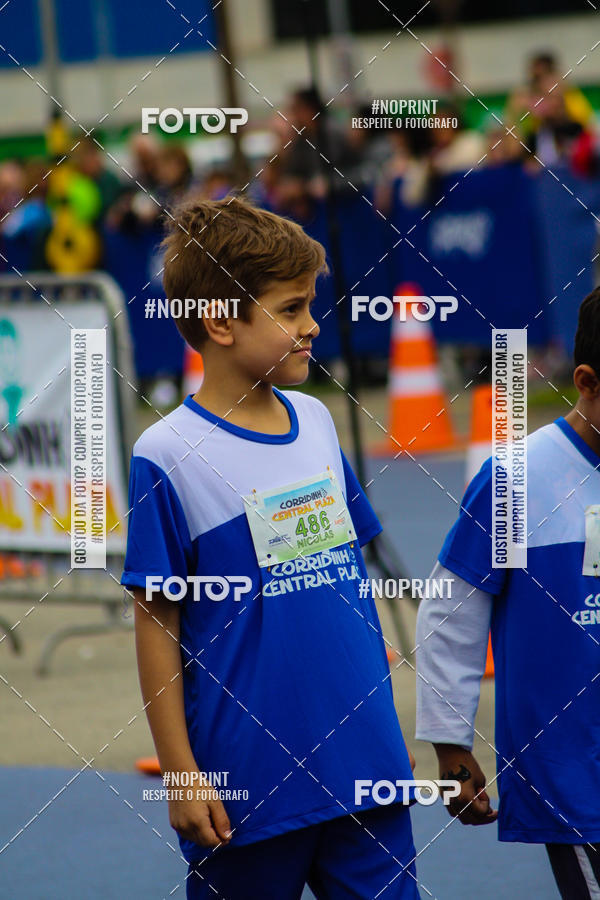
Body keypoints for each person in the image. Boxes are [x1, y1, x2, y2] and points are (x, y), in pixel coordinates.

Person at [121, 196, 419, 899]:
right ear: (222, 322)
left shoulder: (315, 421)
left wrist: (376, 714)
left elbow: (348, 579)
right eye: (290, 310)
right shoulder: (166, 454)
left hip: (364, 766)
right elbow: (156, 621)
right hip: (249, 787)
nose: (313, 325)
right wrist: (183, 771)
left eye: (309, 305)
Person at [415, 288, 600, 899]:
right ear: (586, 381)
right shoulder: (516, 480)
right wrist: (450, 747)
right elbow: (451, 614)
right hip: (575, 775)